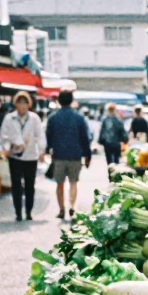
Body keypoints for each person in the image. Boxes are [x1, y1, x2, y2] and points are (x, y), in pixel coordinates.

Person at [0, 91, 46, 221]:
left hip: (31, 155)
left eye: (25, 103)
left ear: (29, 104)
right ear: (16, 104)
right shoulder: (9, 118)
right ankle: (18, 211)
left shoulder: (34, 118)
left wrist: (41, 150)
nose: (23, 105)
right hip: (15, 156)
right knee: (16, 184)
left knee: (30, 185)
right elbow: (3, 136)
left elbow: (40, 135)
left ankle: (29, 211)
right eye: (20, 102)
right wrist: (9, 147)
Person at [45, 89, 92, 219]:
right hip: (75, 155)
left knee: (59, 184)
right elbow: (85, 138)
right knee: (73, 183)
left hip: (58, 155)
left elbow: (48, 137)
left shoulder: (53, 117)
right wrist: (87, 155)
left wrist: (47, 150)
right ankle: (71, 206)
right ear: (71, 101)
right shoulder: (79, 118)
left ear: (59, 101)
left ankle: (61, 209)